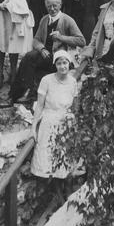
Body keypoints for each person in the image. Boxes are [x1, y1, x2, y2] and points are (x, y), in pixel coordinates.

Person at [0, 0, 85, 108]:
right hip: (47, 55)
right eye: (49, 6)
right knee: (28, 58)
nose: (52, 9)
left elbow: (81, 41)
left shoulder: (67, 20)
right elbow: (36, 39)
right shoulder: (45, 19)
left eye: (55, 6)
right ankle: (14, 96)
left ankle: (30, 96)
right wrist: (42, 48)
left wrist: (61, 37)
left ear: (60, 5)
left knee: (33, 59)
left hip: (61, 57)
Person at [31, 50, 81, 181]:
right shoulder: (46, 80)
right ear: (55, 65)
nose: (62, 66)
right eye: (59, 63)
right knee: (48, 160)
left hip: (66, 123)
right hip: (49, 122)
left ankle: (63, 192)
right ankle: (51, 191)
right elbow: (40, 105)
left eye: (65, 63)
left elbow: (75, 106)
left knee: (65, 160)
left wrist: (75, 126)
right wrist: (34, 125)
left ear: (69, 64)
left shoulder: (72, 82)